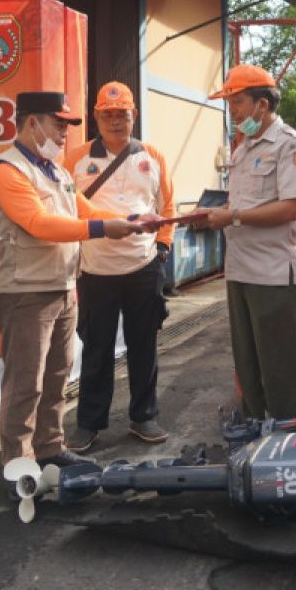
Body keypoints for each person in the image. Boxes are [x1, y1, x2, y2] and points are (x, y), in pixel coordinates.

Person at [0, 92, 154, 480]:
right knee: (25, 385)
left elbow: (87, 210)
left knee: (57, 378)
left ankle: (49, 449)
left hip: (61, 287)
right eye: (58, 124)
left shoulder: (55, 171)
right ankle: (18, 465)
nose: (64, 134)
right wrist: (102, 229)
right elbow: (39, 224)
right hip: (25, 291)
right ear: (31, 123)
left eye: (67, 126)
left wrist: (136, 219)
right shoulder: (5, 171)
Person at [63, 82, 174, 450]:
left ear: (134, 116)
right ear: (95, 117)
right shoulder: (75, 160)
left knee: (145, 347)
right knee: (97, 350)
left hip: (143, 268)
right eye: (107, 115)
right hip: (95, 272)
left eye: (121, 114)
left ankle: (144, 417)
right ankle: (89, 423)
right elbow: (63, 208)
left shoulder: (153, 156)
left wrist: (162, 249)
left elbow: (168, 207)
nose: (114, 121)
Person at [201, 64, 296, 420]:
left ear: (261, 105)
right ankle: (252, 428)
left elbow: (291, 207)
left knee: (280, 366)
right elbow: (245, 204)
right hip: (240, 271)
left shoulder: (291, 145)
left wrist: (232, 217)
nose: (232, 111)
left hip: (272, 274)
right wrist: (221, 213)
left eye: (237, 103)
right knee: (247, 363)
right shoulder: (243, 149)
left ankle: (291, 437)